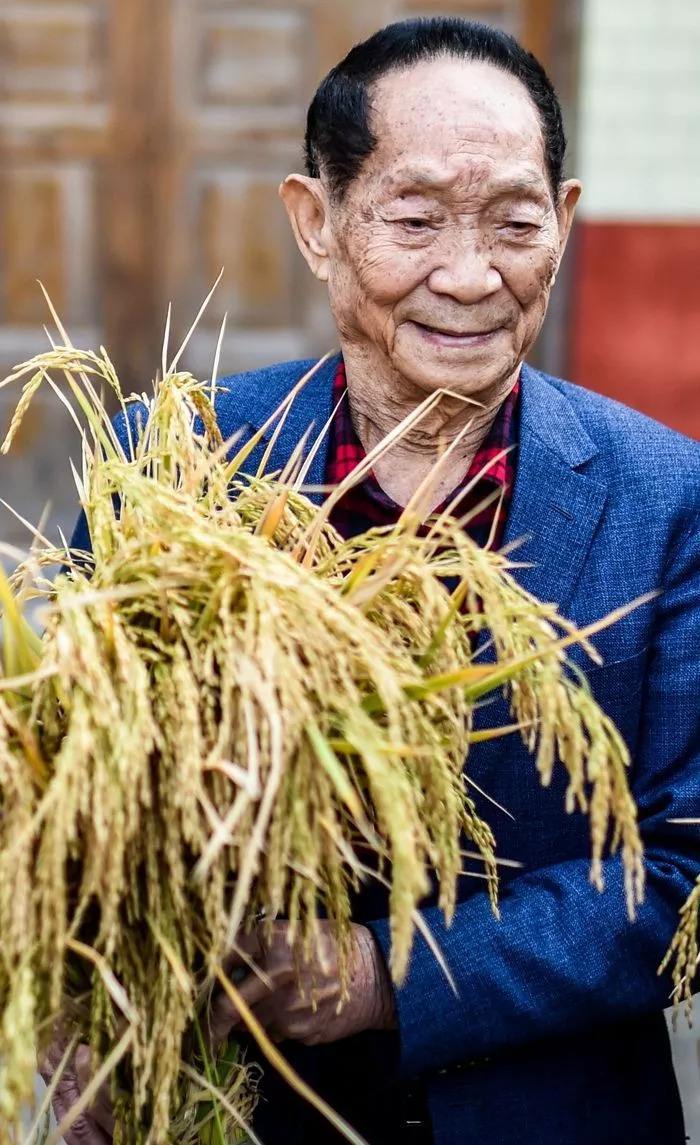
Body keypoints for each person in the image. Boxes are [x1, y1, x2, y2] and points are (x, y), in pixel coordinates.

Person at [51, 17, 699, 1145]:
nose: (469, 274)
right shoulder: (176, 461)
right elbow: (51, 787)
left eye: (513, 220)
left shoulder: (666, 497)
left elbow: (686, 866)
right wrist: (68, 1030)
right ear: (316, 225)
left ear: (566, 221)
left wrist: (383, 971)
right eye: (414, 219)